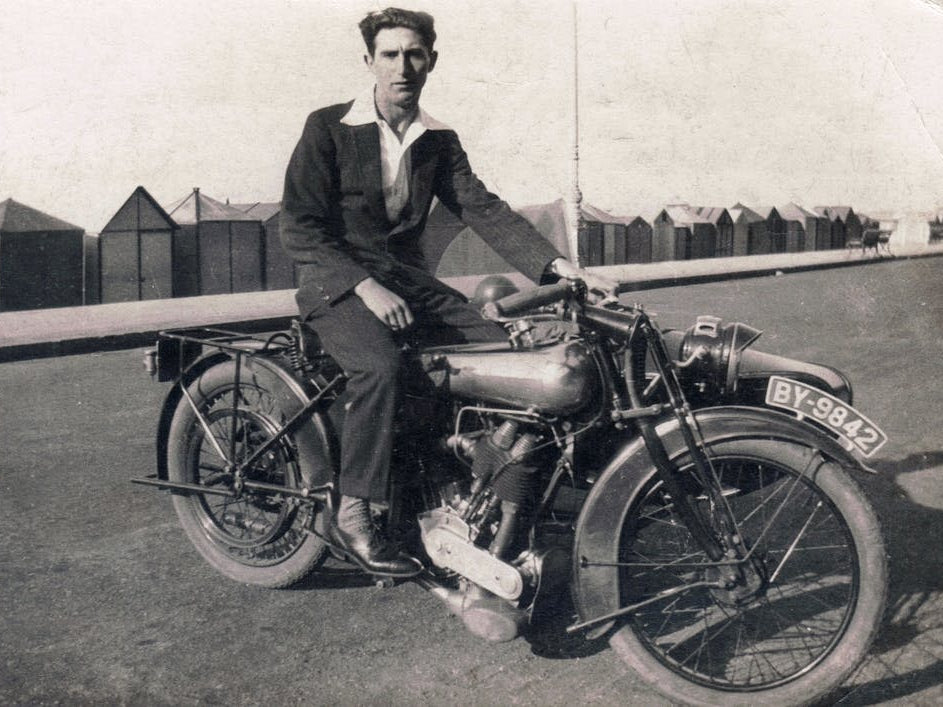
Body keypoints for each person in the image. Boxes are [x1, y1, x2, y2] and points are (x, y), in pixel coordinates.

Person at [280, 7, 616, 577]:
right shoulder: (328, 128)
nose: (403, 66)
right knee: (382, 367)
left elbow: (483, 208)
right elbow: (300, 226)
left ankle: (468, 479)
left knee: (503, 353)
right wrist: (364, 286)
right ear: (370, 62)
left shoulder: (437, 139)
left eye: (415, 54)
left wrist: (563, 267)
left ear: (431, 61)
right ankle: (355, 509)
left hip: (406, 284)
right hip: (332, 283)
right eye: (390, 55)